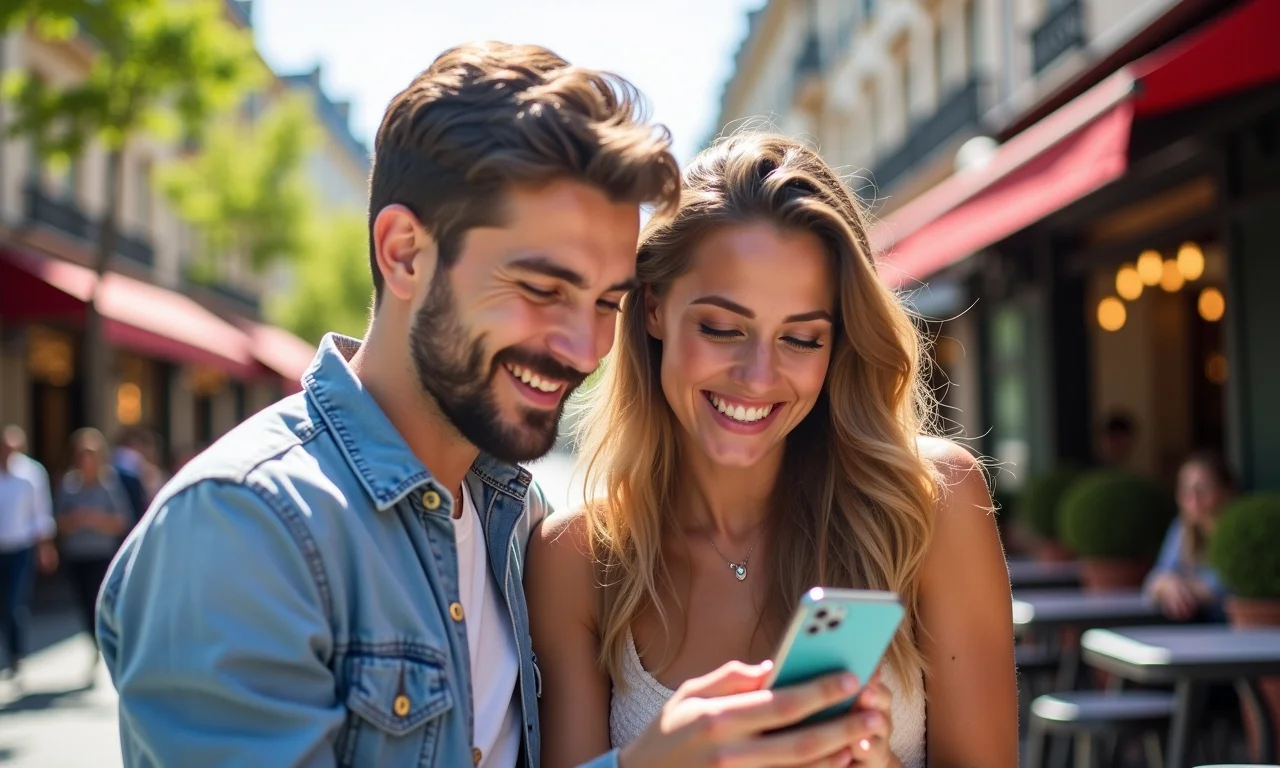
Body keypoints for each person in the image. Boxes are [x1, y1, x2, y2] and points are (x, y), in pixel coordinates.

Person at [97, 44, 867, 768]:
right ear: (403, 252)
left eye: (607, 302)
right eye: (541, 289)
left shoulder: (514, 517)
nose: (581, 347)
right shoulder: (243, 527)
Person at [528, 134, 1020, 767]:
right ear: (653, 307)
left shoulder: (931, 505)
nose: (758, 378)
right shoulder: (573, 561)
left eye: (802, 339)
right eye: (722, 328)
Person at [55, 428, 132, 651]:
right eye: (82, 454)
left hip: (101, 553)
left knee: (98, 601)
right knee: (83, 601)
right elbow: (58, 522)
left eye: (90, 454)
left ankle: (105, 641)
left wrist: (95, 520)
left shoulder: (109, 483)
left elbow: (122, 520)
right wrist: (76, 520)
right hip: (77, 553)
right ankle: (95, 640)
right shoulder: (69, 485)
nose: (86, 460)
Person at [1144, 451, 1235, 622]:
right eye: (1185, 489)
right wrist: (1169, 584)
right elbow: (1154, 580)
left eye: (1202, 489)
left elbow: (1225, 588)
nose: (1193, 498)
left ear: (1226, 491)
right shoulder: (1182, 528)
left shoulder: (1237, 533)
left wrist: (1180, 588)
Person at [0, 425, 58, 675]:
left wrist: (46, 547)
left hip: (21, 547)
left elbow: (41, 513)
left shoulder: (32, 473)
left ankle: (16, 653)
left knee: (14, 603)